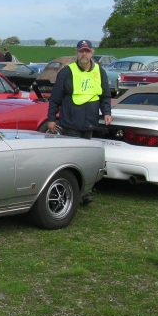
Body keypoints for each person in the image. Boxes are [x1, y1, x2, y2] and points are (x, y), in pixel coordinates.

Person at [47, 39, 112, 204]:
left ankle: (86, 191)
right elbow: (55, 98)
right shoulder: (66, 72)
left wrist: (106, 112)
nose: (84, 54)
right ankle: (71, 192)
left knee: (86, 159)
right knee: (72, 160)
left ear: (92, 53)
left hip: (89, 122)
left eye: (87, 51)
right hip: (70, 123)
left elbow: (105, 95)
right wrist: (52, 119)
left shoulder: (99, 71)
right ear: (77, 53)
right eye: (81, 51)